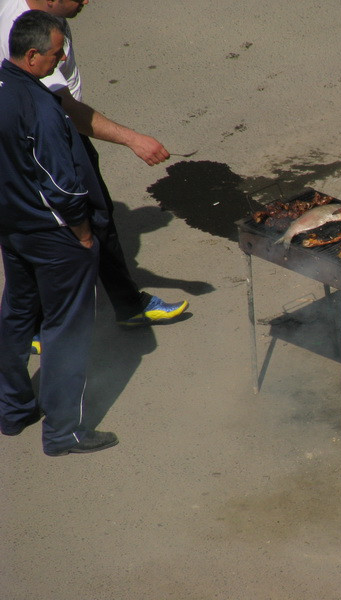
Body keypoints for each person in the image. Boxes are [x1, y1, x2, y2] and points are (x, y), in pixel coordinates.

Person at [0, 0, 187, 340]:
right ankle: (46, 329)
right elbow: (68, 109)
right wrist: (134, 140)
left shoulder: (35, 14)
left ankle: (34, 329)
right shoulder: (29, 36)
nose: (88, 1)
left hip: (25, 131)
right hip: (46, 135)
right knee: (84, 221)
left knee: (27, 238)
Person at [0, 9, 117, 455]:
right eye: (55, 53)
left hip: (12, 230)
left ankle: (12, 410)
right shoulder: (41, 108)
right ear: (31, 55)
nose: (61, 58)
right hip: (53, 235)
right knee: (66, 329)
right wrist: (83, 232)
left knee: (16, 316)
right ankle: (63, 431)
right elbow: (63, 183)